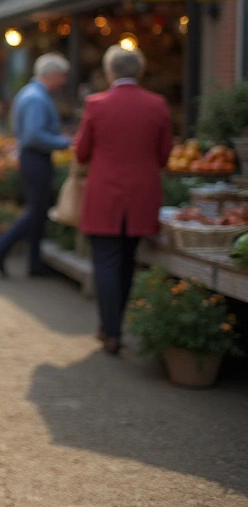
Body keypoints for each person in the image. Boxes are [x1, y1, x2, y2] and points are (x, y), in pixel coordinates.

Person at [74, 46, 170, 355]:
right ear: (139, 72)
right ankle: (115, 327)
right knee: (128, 261)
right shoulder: (157, 105)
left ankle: (109, 330)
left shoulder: (96, 104)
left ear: (109, 71)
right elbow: (165, 155)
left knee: (105, 261)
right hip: (142, 194)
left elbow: (80, 152)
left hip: (105, 193)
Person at [0, 53, 72, 278]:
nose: (64, 81)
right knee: (36, 212)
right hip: (36, 158)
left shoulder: (31, 94)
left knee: (37, 212)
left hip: (32, 157)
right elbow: (34, 135)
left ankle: (34, 262)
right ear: (51, 75)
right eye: (62, 76)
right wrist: (65, 142)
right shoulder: (36, 98)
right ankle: (0, 248)